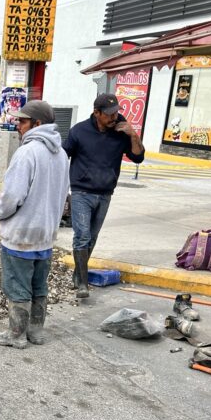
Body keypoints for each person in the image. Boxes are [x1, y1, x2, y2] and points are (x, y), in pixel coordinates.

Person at [0, 100, 70, 349]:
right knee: (38, 285)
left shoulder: (27, 152)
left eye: (22, 121)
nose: (18, 126)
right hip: (45, 234)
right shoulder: (61, 153)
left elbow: (12, 196)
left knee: (18, 285)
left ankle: (16, 335)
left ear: (37, 124)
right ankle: (36, 332)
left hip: (22, 233)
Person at [63, 93, 144, 299]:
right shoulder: (79, 131)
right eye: (109, 114)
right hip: (81, 191)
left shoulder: (121, 130)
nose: (114, 117)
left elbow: (138, 157)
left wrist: (133, 134)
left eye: (116, 112)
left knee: (92, 237)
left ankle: (77, 276)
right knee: (82, 236)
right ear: (96, 113)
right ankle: (82, 284)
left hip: (106, 193)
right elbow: (63, 155)